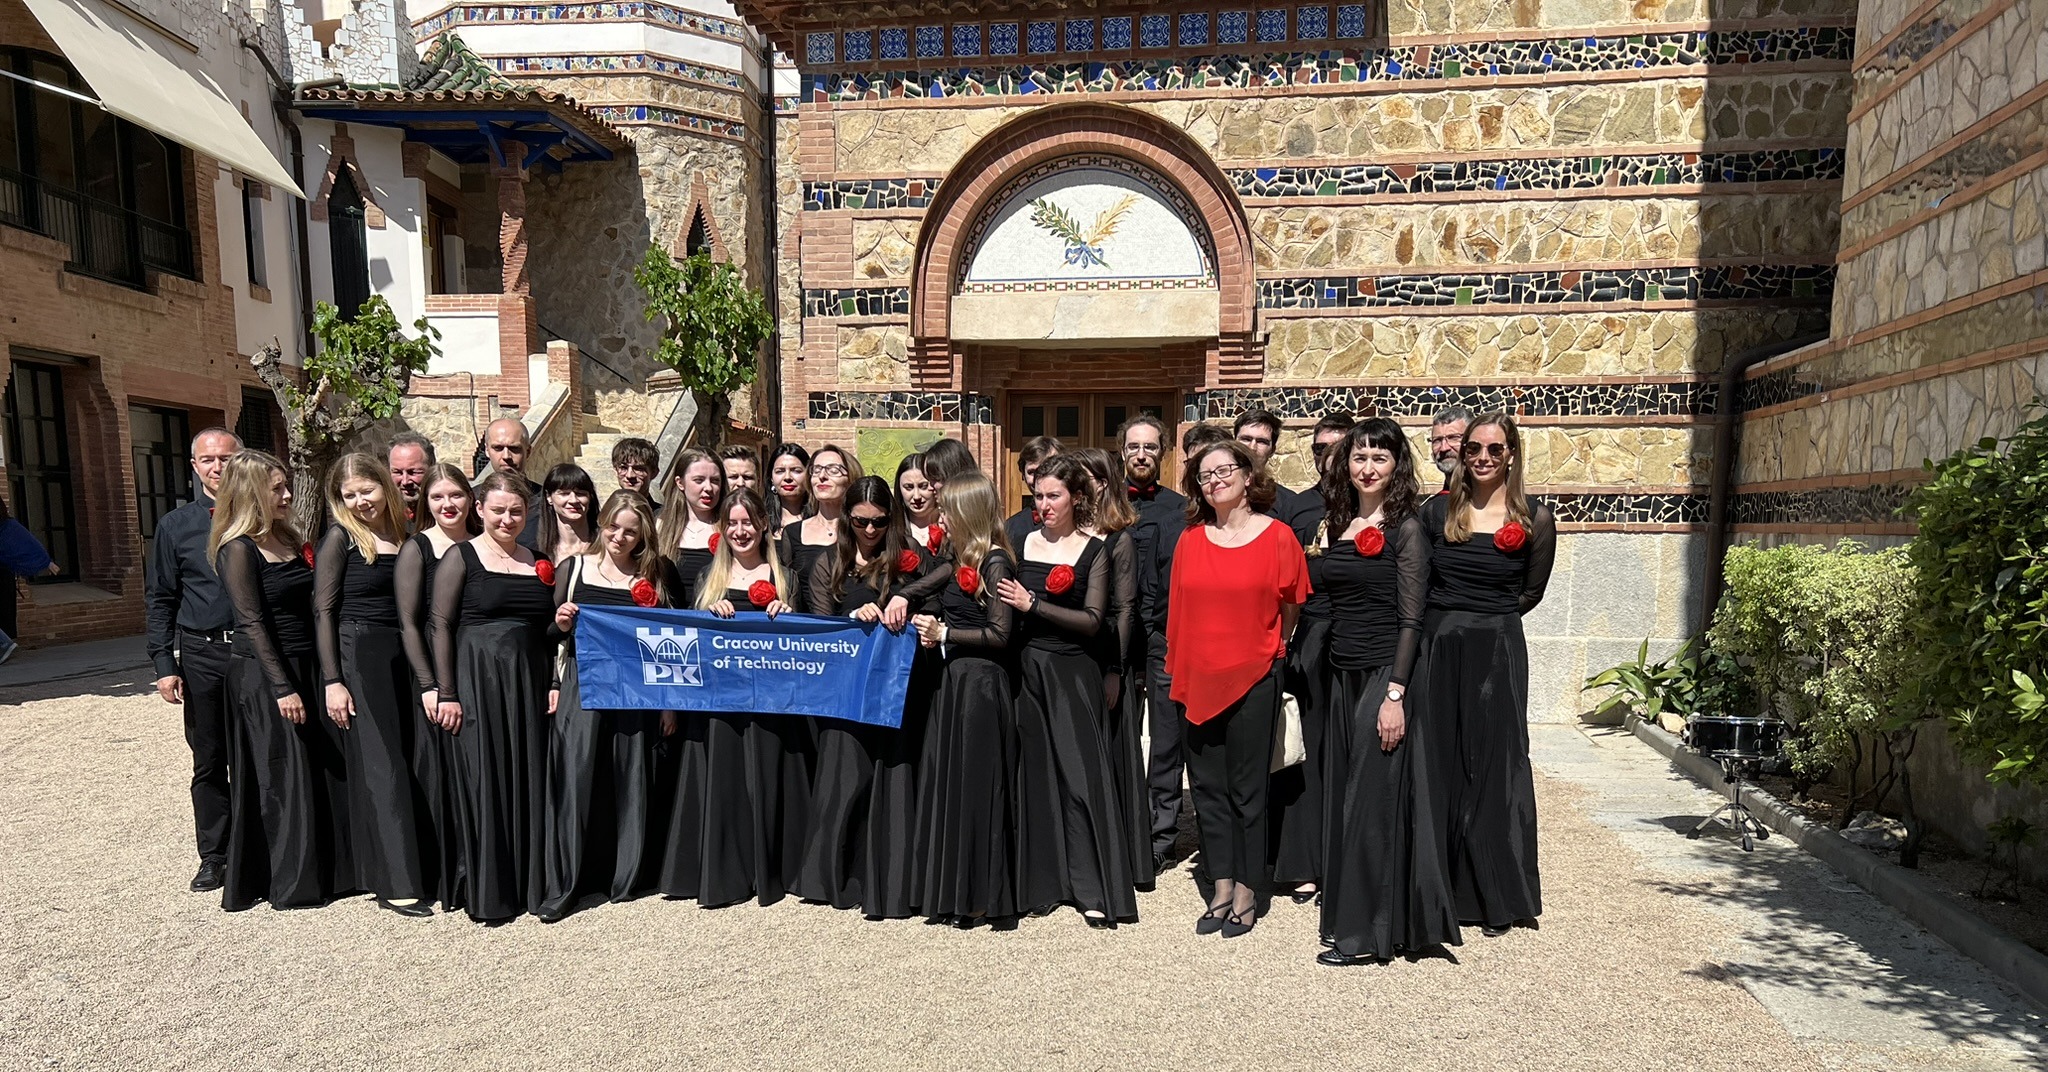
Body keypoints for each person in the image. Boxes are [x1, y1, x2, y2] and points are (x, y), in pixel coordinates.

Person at [1313, 419, 1459, 965]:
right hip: (1341, 675)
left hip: (1383, 675)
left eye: (1379, 458)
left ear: (1397, 466)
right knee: (1347, 801)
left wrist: (1395, 693)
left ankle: (1367, 936)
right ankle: (1351, 915)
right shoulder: (1337, 522)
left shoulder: (1407, 528)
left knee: (1372, 802)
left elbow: (1412, 619)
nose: (1367, 468)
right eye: (1358, 457)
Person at [1416, 413, 1555, 938]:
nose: (1482, 458)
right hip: (1440, 646)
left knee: (1496, 763)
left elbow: (1532, 592)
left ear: (1511, 454)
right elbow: (1421, 581)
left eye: (1494, 449)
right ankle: (1443, 891)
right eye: (1474, 448)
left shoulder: (1535, 518)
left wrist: (1486, 619)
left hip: (1497, 648)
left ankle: (1496, 893)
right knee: (1443, 761)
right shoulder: (1437, 511)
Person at [1168, 439, 1310, 939]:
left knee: (1249, 791)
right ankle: (1221, 885)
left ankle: (1250, 889)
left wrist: (1272, 650)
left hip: (1254, 678)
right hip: (1197, 677)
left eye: (1224, 470)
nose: (1215, 481)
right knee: (1207, 789)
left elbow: (1292, 604)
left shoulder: (1279, 538)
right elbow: (1178, 614)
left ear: (1249, 476)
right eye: (1204, 476)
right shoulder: (1190, 539)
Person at [798, 476, 947, 918]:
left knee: (897, 778)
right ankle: (835, 876)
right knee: (844, 779)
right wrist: (852, 616)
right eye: (860, 521)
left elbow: (941, 587)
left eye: (879, 522)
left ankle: (896, 879)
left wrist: (906, 598)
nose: (869, 530)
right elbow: (819, 625)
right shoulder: (830, 562)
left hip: (898, 689)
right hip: (847, 691)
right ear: (847, 518)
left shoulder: (908, 557)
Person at [212, 450, 353, 911]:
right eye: (277, 488)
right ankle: (291, 880)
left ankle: (331, 869)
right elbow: (251, 623)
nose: (288, 494)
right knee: (283, 773)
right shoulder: (237, 549)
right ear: (251, 492)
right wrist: (281, 687)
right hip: (267, 673)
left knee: (317, 768)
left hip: (308, 665)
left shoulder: (288, 537)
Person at [999, 453, 1135, 927]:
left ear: (1077, 498)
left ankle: (1091, 887)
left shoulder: (1094, 550)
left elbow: (1096, 621)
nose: (1044, 504)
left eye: (1053, 495)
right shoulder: (1019, 539)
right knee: (1034, 775)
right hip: (1026, 672)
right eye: (1038, 495)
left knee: (1080, 779)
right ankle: (1043, 884)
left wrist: (1033, 603)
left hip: (1073, 673)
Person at [540, 489, 684, 922]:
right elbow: (553, 636)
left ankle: (625, 877)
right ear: (601, 524)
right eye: (613, 527)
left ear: (643, 536)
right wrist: (560, 625)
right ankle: (567, 884)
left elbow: (671, 641)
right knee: (577, 777)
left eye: (631, 531)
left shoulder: (658, 573)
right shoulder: (573, 568)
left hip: (638, 690)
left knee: (630, 780)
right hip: (584, 686)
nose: (620, 537)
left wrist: (670, 703)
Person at [660, 489, 800, 907]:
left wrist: (789, 615)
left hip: (771, 701)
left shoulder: (786, 576)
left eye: (748, 522)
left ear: (762, 527)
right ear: (723, 529)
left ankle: (771, 869)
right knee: (725, 780)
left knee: (767, 777)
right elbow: (687, 638)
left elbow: (808, 639)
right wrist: (708, 613)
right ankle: (725, 870)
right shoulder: (708, 577)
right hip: (720, 702)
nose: (741, 531)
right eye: (732, 523)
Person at [430, 471, 557, 923]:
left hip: (529, 683)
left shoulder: (538, 561)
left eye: (517, 511)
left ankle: (530, 884)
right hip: (478, 682)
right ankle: (490, 891)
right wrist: (446, 691)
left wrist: (555, 680)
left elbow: (546, 632)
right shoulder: (461, 556)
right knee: (485, 775)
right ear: (480, 510)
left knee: (529, 774)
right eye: (499, 510)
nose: (508, 518)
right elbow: (439, 625)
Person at [314, 453, 431, 917]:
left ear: (384, 485)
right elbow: (323, 612)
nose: (360, 501)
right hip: (360, 655)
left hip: (404, 653)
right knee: (383, 763)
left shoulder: (404, 534)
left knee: (413, 757)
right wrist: (332, 680)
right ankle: (396, 882)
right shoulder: (340, 539)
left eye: (367, 490)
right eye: (350, 495)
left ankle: (423, 865)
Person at [911, 473, 1018, 927]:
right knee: (954, 784)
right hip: (957, 683)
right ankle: (953, 886)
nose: (941, 518)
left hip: (981, 686)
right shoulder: (958, 558)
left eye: (948, 510)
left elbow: (1000, 634)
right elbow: (923, 587)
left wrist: (945, 633)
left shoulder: (995, 563)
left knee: (976, 787)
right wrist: (899, 601)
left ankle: (979, 892)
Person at [144, 426, 243, 893]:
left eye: (226, 457)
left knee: (262, 753)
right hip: (202, 653)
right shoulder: (176, 526)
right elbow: (160, 597)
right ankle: (215, 856)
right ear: (194, 466)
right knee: (209, 760)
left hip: (254, 652)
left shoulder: (265, 514)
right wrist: (165, 664)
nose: (218, 467)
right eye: (208, 460)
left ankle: (261, 850)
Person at [1268, 411, 1356, 901]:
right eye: (1320, 448)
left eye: (1339, 447)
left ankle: (1348, 858)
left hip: (1361, 638)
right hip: (1311, 636)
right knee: (1306, 751)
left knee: (1351, 748)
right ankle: (1304, 861)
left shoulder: (1375, 507)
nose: (1330, 457)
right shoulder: (1298, 509)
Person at [1140, 421, 1227, 874]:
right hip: (1169, 649)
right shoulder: (1172, 523)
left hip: (1220, 654)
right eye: (1202, 470)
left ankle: (1218, 845)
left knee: (1212, 750)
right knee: (1166, 747)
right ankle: (1161, 837)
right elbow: (1155, 590)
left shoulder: (1240, 525)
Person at [395, 463, 480, 912]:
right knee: (443, 774)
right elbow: (409, 622)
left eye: (456, 495)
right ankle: (453, 874)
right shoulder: (419, 548)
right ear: (425, 504)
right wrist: (430, 685)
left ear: (470, 498)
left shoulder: (487, 542)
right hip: (436, 677)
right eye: (437, 498)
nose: (448, 505)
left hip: (480, 672)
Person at [1071, 447, 1148, 889]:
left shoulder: (1119, 537)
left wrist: (1116, 669)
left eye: (1084, 478)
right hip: (1069, 658)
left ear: (1101, 483)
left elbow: (1125, 610)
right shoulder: (1066, 533)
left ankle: (1118, 857)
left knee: (1112, 751)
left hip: (1106, 658)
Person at [782, 444, 860, 611]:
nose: (822, 476)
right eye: (816, 470)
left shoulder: (864, 530)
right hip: (809, 632)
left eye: (833, 470)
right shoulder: (793, 533)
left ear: (851, 478)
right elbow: (787, 590)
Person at [654, 447, 726, 607]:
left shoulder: (731, 527)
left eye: (715, 480)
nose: (708, 488)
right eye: (699, 480)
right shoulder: (659, 525)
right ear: (680, 483)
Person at [0, 495, 61, 664]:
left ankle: (3, 644)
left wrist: (45, 562)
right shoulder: (6, 526)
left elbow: (25, 544)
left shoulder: (6, 527)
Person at [478, 417, 545, 548]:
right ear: (487, 450)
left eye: (514, 449)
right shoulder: (472, 500)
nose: (506, 456)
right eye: (498, 448)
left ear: (528, 451)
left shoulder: (547, 502)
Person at [1004, 436, 1060, 551]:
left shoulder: (1081, 522)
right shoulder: (1012, 528)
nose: (1038, 479)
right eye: (1032, 472)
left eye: (1045, 469)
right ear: (1023, 476)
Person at [538, 464, 598, 561]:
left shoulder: (605, 545)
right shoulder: (537, 552)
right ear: (548, 497)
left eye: (580, 494)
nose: (573, 500)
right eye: (564, 493)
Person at [895, 453, 943, 553]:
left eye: (923, 486)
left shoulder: (949, 524)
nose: (916, 496)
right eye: (909, 487)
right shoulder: (893, 527)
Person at [386, 433, 436, 526]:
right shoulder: (383, 514)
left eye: (413, 472)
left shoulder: (446, 509)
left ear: (432, 466)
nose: (405, 481)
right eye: (397, 472)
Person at [767, 443, 813, 534]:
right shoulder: (760, 522)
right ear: (771, 478)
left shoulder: (822, 520)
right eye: (780, 471)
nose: (787, 477)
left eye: (796, 471)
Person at [1428, 406, 1473, 487]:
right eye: (1437, 440)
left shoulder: (1495, 498)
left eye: (1453, 438)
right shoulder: (1437, 500)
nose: (1444, 448)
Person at [611, 438, 662, 509]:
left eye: (638, 469)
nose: (630, 475)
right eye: (623, 468)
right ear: (615, 471)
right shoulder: (605, 517)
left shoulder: (666, 517)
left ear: (654, 473)